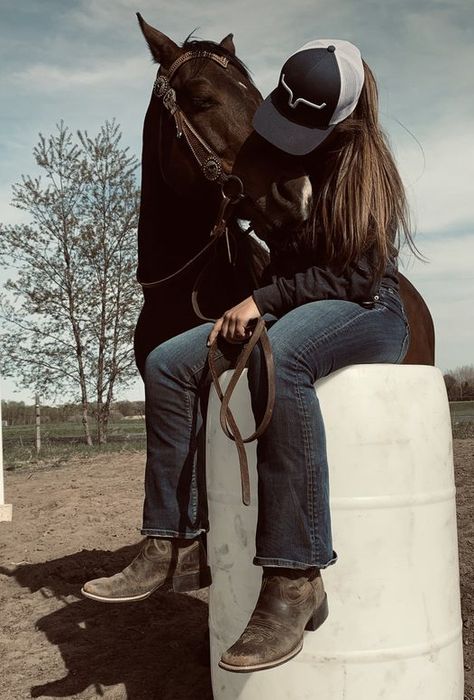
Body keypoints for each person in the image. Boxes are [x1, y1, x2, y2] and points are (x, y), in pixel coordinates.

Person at [82, 39, 411, 673]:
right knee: (167, 364)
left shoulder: (364, 167)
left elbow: (360, 278)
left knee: (281, 355)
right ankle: (171, 540)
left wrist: (265, 299)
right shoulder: (272, 141)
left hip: (368, 306)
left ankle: (295, 575)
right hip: (293, 297)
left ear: (338, 120)